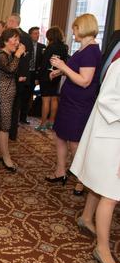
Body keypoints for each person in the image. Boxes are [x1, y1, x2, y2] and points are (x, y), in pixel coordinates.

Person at [71, 58, 120, 263]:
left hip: (111, 134)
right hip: (112, 135)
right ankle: (102, 248)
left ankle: (87, 217)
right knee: (111, 193)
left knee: (100, 183)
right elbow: (108, 100)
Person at [46, 13, 102, 196]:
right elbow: (75, 72)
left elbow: (85, 81)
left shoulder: (91, 51)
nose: (73, 32)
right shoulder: (82, 49)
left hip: (79, 105)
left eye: (75, 28)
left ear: (83, 28)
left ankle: (82, 180)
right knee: (60, 136)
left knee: (75, 143)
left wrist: (63, 67)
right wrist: (59, 73)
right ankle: (61, 171)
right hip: (70, 102)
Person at [0, 28, 25, 172]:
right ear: (6, 40)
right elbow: (10, 70)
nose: (17, 42)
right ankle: (6, 159)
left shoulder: (8, 54)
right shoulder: (1, 54)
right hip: (3, 96)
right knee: (4, 127)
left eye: (17, 39)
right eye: (14, 39)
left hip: (6, 94)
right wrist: (19, 55)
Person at [36, 26, 68, 131]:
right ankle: (52, 122)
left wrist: (38, 76)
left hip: (46, 75)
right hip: (57, 74)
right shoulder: (64, 47)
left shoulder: (50, 47)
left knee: (45, 100)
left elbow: (44, 63)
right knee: (54, 98)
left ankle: (43, 124)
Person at [6, 13, 33, 136]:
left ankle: (10, 131)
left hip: (16, 74)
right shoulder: (27, 36)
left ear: (12, 22)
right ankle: (11, 131)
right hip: (19, 74)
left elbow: (23, 58)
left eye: (8, 21)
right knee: (15, 103)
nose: (7, 24)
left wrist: (21, 74)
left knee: (13, 103)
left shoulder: (20, 36)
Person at [23, 26, 45, 123]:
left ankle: (24, 117)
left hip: (34, 74)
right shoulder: (25, 45)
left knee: (28, 96)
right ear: (30, 35)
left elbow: (41, 64)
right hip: (24, 73)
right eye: (35, 33)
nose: (37, 35)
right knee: (21, 95)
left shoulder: (42, 47)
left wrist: (37, 77)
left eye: (38, 33)